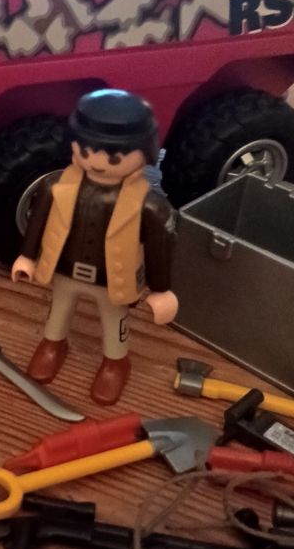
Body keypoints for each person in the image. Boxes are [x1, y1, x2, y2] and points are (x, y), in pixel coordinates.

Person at [11, 89, 177, 405]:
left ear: (144, 153)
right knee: (58, 311)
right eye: (86, 151)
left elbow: (160, 246)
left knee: (114, 322)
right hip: (64, 268)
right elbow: (37, 223)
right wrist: (27, 256)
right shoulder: (56, 186)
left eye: (113, 157)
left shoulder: (147, 205)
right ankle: (53, 345)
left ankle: (116, 363)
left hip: (113, 278)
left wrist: (161, 289)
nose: (97, 163)